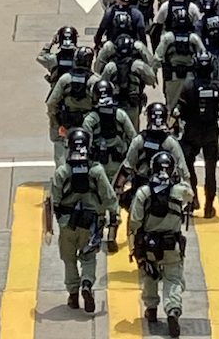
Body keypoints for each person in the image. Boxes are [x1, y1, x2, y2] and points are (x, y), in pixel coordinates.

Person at [49, 128, 117, 313]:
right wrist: (113, 215)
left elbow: (54, 200)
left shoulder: (62, 172)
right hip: (91, 223)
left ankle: (73, 294)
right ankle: (87, 283)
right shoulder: (96, 170)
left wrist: (57, 221)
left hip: (67, 224)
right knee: (88, 257)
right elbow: (109, 195)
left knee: (69, 260)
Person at [127, 151, 193, 337]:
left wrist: (135, 247)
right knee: (173, 278)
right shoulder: (180, 191)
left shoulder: (144, 193)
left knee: (149, 275)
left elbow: (135, 222)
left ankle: (151, 309)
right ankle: (172, 308)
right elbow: (190, 195)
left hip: (149, 245)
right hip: (172, 245)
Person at [171, 52, 219, 218]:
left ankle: (193, 201)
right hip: (211, 134)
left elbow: (177, 110)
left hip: (191, 133)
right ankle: (209, 206)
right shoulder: (218, 88)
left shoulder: (188, 87)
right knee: (210, 170)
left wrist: (171, 127)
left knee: (188, 168)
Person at [82, 80, 137, 253]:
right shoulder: (120, 114)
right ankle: (112, 233)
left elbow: (84, 141)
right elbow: (133, 137)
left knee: (99, 197)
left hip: (98, 165)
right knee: (116, 196)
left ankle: (97, 232)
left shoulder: (91, 118)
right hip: (117, 164)